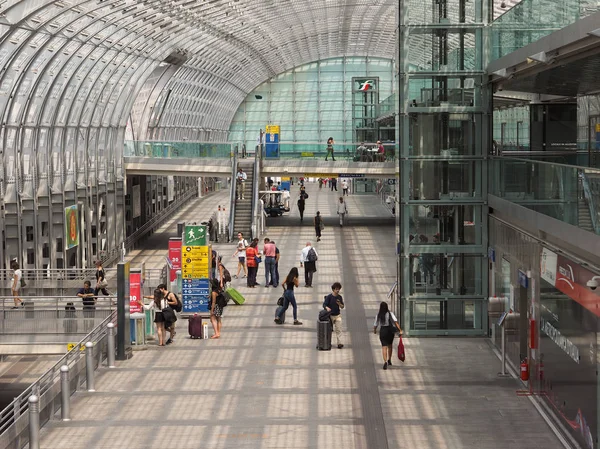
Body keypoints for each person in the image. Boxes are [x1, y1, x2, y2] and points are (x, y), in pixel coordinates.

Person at [373, 301, 403, 370]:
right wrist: (400, 330)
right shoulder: (390, 314)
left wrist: (374, 331)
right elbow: (396, 322)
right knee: (390, 346)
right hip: (390, 331)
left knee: (384, 347)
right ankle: (389, 359)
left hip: (383, 331)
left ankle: (385, 361)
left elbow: (375, 324)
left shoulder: (378, 315)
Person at [324, 282, 345, 349]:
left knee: (339, 329)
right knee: (329, 330)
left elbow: (342, 306)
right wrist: (327, 308)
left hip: (337, 315)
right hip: (330, 316)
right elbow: (324, 304)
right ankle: (328, 343)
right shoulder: (329, 297)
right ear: (333, 289)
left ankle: (340, 343)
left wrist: (339, 304)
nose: (338, 290)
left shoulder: (339, 297)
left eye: (338, 289)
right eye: (336, 289)